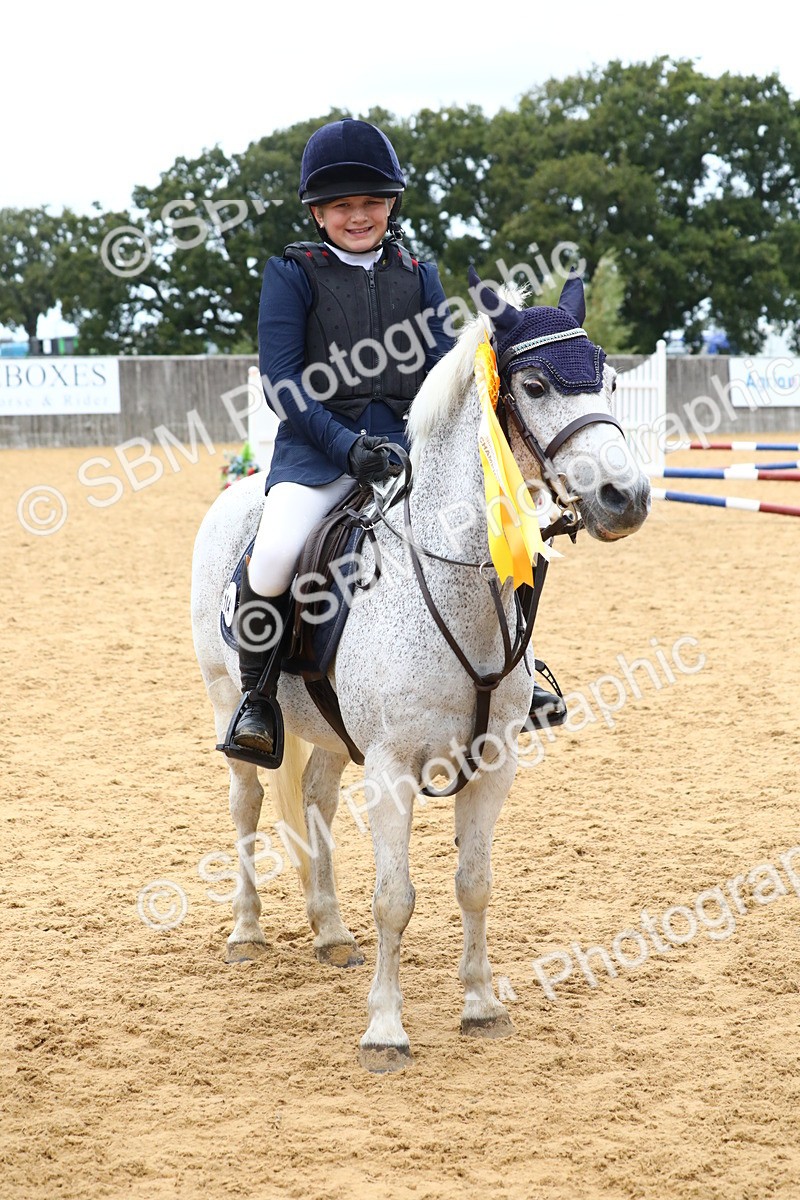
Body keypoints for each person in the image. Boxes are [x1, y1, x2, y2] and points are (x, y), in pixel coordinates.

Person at [231, 117, 565, 762]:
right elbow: (282, 381)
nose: (359, 216)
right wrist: (345, 447)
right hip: (316, 446)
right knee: (273, 556)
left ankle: (522, 668)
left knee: (505, 531)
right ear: (319, 212)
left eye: (372, 203)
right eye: (343, 206)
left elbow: (444, 369)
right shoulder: (291, 272)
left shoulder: (419, 272)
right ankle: (259, 696)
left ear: (391, 205)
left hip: (408, 446)